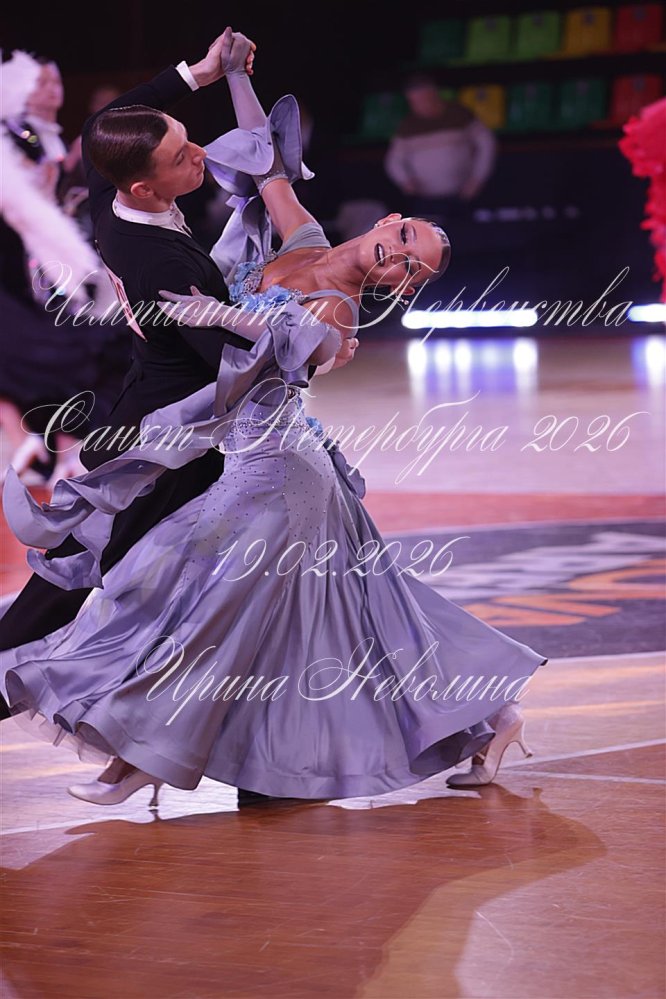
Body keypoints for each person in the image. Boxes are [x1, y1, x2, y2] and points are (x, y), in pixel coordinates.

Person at [0, 32, 547, 806]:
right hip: (261, 458)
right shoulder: (307, 239)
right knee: (362, 607)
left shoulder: (338, 309)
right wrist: (230, 75)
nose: (395, 256)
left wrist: (254, 327)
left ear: (403, 286)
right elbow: (268, 163)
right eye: (403, 237)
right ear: (388, 218)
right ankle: (484, 715)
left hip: (273, 465)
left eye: (409, 267)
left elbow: (274, 362)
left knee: (196, 598)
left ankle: (150, 745)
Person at [0, 29, 355, 689]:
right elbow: (233, 362)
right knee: (91, 580)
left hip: (154, 419)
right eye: (179, 155)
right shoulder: (160, 264)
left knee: (106, 575)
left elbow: (105, 123)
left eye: (187, 137)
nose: (199, 152)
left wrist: (202, 72)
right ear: (143, 186)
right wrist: (320, 350)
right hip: (166, 447)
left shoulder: (111, 192)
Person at [384, 73, 497, 233]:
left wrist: (477, 179)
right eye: (415, 102)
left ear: (434, 94)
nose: (420, 106)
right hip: (426, 201)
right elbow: (394, 161)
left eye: (424, 100)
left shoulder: (460, 115)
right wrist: (405, 181)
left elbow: (487, 144)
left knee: (466, 235)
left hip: (463, 196)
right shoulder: (407, 126)